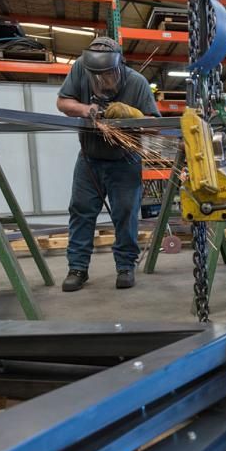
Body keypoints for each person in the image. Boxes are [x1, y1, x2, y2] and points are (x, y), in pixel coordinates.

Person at [57, 37, 160, 292]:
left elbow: (155, 126)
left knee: (125, 213)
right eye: (96, 76)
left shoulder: (137, 83)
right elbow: (63, 102)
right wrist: (86, 109)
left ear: (119, 66)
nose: (101, 81)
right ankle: (77, 268)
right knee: (81, 211)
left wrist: (134, 116)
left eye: (107, 75)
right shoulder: (81, 68)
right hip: (89, 159)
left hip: (125, 160)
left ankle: (125, 266)